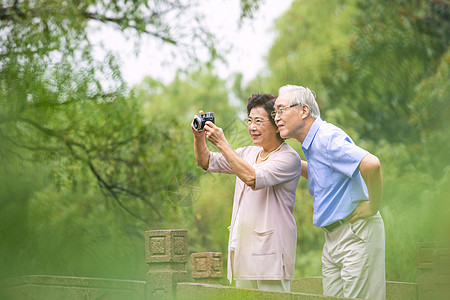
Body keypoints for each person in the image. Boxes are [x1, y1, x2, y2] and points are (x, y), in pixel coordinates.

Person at [273, 85, 386, 300]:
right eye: (275, 112)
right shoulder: (311, 144)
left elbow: (371, 164)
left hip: (354, 232)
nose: (276, 118)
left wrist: (373, 206)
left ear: (303, 111)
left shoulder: (326, 138)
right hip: (333, 237)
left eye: (281, 110)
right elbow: (322, 173)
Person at [191, 94, 304, 292]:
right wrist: (199, 137)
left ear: (276, 123)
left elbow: (252, 178)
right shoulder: (249, 153)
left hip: (271, 258)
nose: (252, 127)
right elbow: (205, 161)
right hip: (242, 252)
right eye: (249, 121)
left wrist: (222, 143)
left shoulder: (288, 158)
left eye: (258, 121)